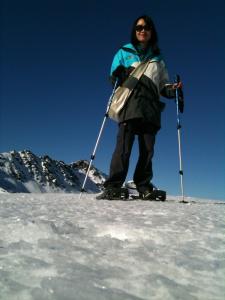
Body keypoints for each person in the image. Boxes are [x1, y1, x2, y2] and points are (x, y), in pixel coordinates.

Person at [97, 15, 181, 200]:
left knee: (148, 150)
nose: (143, 30)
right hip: (130, 104)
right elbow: (113, 77)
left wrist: (172, 90)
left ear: (152, 31)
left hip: (150, 108)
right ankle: (113, 185)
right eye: (139, 27)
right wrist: (119, 74)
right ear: (135, 31)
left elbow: (163, 86)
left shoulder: (158, 60)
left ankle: (143, 186)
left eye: (147, 27)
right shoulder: (123, 51)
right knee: (124, 147)